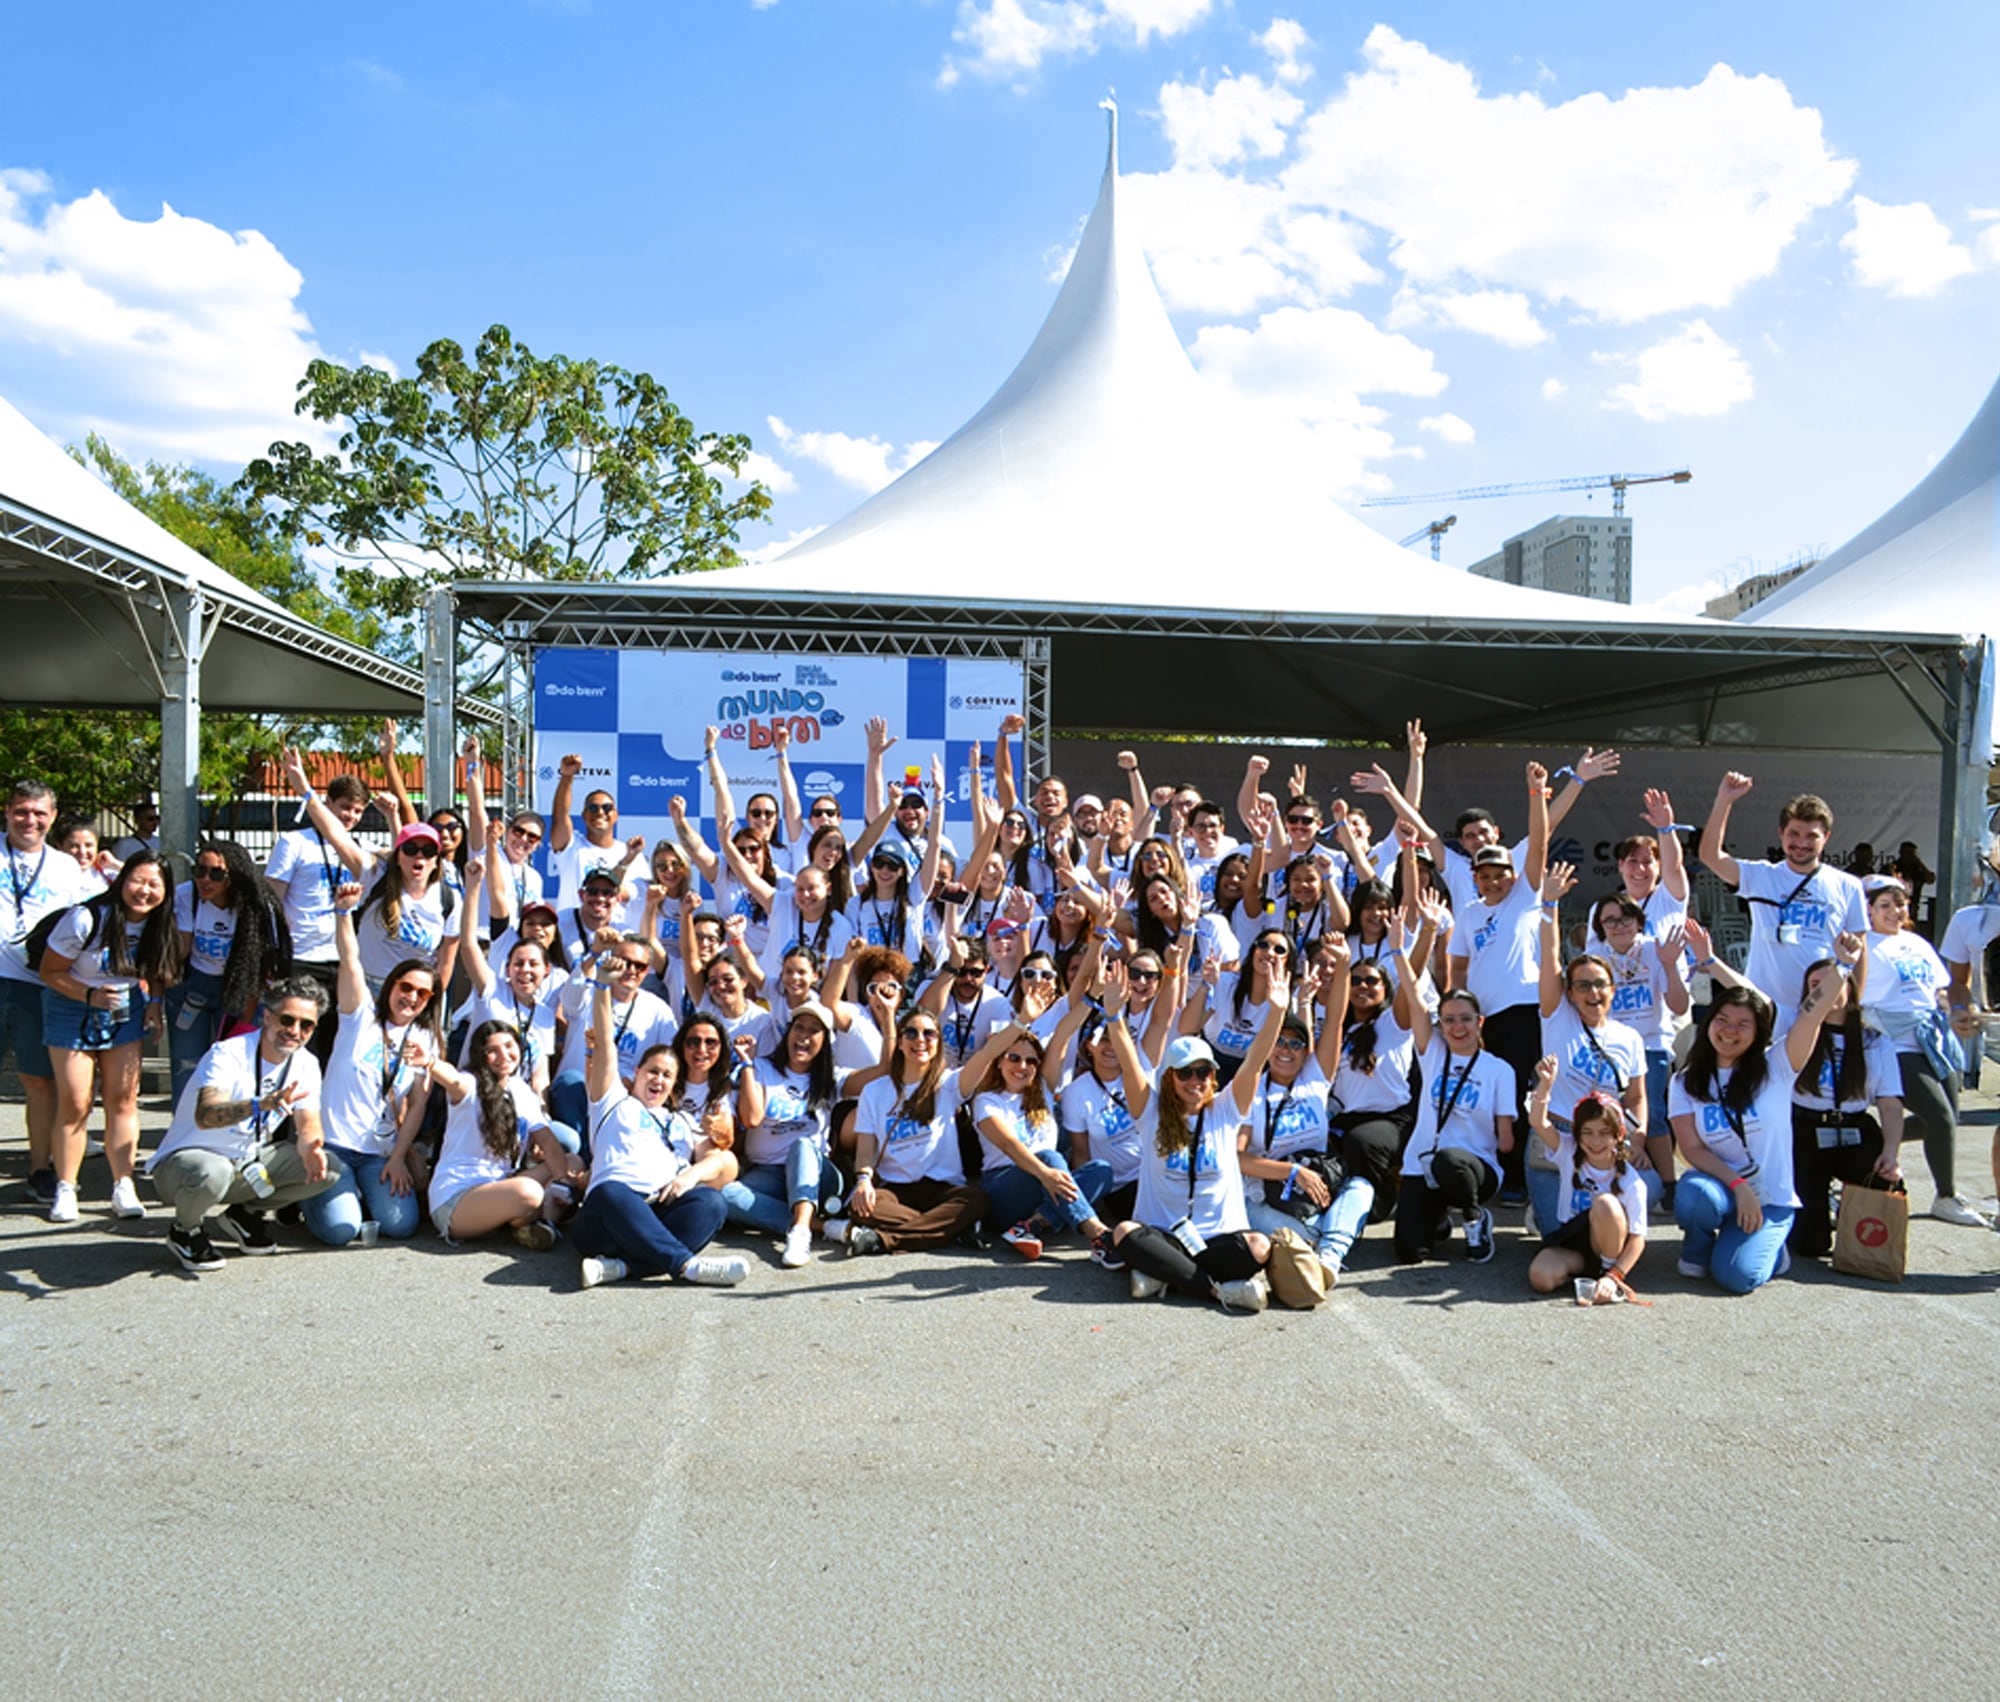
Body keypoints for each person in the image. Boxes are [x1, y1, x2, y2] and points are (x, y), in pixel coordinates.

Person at [1669, 936, 1866, 1294]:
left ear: (1759, 1032)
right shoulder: (1685, 1081)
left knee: (1736, 1277)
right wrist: (1738, 1186)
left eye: (1743, 1024)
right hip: (1726, 1187)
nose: (1730, 1030)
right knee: (1693, 1194)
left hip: (1772, 1197)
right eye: (1723, 1019)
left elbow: (1812, 1013)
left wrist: (1843, 967)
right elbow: (1692, 1149)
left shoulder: (1778, 1065)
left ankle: (1771, 1250)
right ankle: (1698, 1247)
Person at [1102, 956, 1293, 1311]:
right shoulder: (1151, 1110)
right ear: (1169, 1077)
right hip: (1165, 1235)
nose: (1195, 1081)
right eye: (1185, 1073)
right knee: (1124, 1232)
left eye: (1203, 1072)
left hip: (1218, 1239)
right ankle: (1217, 1290)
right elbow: (1129, 1064)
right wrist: (1114, 1017)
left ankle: (1164, 1277)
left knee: (1260, 1247)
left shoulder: (1226, 1108)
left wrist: (1277, 1013)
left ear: (1213, 1076)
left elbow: (1255, 1061)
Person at [146, 977, 343, 1273]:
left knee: (330, 1168)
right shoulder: (228, 1053)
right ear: (267, 1016)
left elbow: (308, 1123)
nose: (295, 1031)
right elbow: (207, 1115)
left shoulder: (306, 1063)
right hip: (186, 1166)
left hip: (246, 1161)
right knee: (213, 1172)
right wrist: (259, 1104)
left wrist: (311, 1147)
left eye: (306, 1025)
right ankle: (186, 1231)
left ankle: (244, 1215)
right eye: (287, 1020)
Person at [569, 973, 749, 1288]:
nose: (659, 1080)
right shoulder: (612, 1102)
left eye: (667, 1075)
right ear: (637, 1072)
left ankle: (623, 1268)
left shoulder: (680, 1122)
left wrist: (690, 1176)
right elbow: (605, 1042)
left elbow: (725, 1163)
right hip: (608, 1217)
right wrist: (601, 987)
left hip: (660, 1209)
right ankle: (686, 1266)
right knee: (611, 1191)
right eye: (653, 1071)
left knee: (713, 1203)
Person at [35, 851, 183, 1223]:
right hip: (72, 1005)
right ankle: (66, 1187)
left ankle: (123, 1184)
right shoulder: (86, 919)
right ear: (120, 880)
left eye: (154, 884)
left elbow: (158, 968)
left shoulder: (159, 924)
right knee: (76, 1101)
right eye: (137, 880)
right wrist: (88, 995)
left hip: (124, 1007)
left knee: (122, 1099)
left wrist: (154, 1004)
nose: (144, 891)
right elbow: (49, 971)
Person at [300, 883, 442, 1247]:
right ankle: (315, 1197)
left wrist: (397, 1158)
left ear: (429, 1002)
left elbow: (416, 1109)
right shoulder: (359, 1015)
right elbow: (350, 960)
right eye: (405, 987)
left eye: (422, 994)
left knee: (401, 1225)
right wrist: (344, 913)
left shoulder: (426, 1042)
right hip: (333, 1145)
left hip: (377, 1153)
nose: (411, 997)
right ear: (391, 986)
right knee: (341, 1230)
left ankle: (356, 1194)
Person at [1443, 762, 1551, 1201]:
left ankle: (1526, 1179)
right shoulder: (1468, 914)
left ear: (1513, 873)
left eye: (1500, 873)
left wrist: (1536, 794)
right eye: (1484, 875)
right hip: (1483, 1018)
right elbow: (1458, 968)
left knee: (1525, 1096)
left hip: (1523, 1011)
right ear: (1475, 878)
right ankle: (1498, 1172)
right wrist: (1454, 1008)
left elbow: (1540, 842)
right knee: (1494, 1096)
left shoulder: (1526, 896)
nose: (1492, 880)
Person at [1860, 874, 1985, 1225]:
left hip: (1933, 1038)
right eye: (1884, 905)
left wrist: (1957, 1011)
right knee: (1940, 1115)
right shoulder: (1863, 946)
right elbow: (1853, 999)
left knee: (1945, 1119)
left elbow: (1941, 990)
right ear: (1869, 910)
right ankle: (1946, 1196)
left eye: (1899, 904)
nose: (1894, 911)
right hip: (1892, 1041)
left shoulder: (1917, 943)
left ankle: (1872, 1142)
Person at [826, 1007, 1002, 1255]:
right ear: (899, 1042)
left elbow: (987, 1055)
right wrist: (864, 1181)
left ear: (938, 1043)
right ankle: (952, 1228)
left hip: (943, 1188)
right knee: (861, 1207)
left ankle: (883, 1240)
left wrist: (1022, 1020)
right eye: (911, 1033)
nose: (920, 1040)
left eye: (929, 1034)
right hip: (896, 1190)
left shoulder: (949, 1084)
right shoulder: (874, 1091)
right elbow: (865, 1149)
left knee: (977, 1201)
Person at [1534, 861, 1651, 1228]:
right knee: (1561, 1235)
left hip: (1604, 1141)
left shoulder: (1629, 1038)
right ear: (1569, 993)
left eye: (1600, 984)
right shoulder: (1558, 1016)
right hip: (1557, 1136)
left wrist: (1640, 1140)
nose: (1592, 992)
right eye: (1582, 985)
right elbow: (1550, 957)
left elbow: (1636, 1098)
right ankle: (1543, 1211)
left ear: (1613, 990)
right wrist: (1550, 905)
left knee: (1634, 1205)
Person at [1699, 775, 1866, 1028]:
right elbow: (1710, 856)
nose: (1801, 843)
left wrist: (1853, 1007)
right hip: (1765, 1008)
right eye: (1794, 834)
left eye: (1811, 836)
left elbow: (1859, 953)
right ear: (1781, 833)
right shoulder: (1762, 876)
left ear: (1827, 837)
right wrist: (1725, 801)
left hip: (1822, 1009)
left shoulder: (1847, 885)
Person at [4, 780, 102, 1205]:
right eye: (22, 811)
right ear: (6, 811)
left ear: (53, 817)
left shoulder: (67, 868)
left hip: (36, 984)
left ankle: (39, 1169)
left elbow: (95, 920)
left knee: (39, 1083)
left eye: (39, 813)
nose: (30, 820)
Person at [423, 1018, 579, 1249]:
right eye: (492, 1051)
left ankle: (543, 1224)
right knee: (530, 1192)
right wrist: (430, 1062)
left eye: (509, 1046)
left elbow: (546, 1139)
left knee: (571, 1162)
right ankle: (528, 1217)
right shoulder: (471, 1084)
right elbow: (454, 1080)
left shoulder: (521, 1090)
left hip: (500, 1187)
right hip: (457, 1199)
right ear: (480, 1056)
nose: (504, 1055)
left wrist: (562, 1180)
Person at [1788, 952, 1904, 1260]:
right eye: (1814, 985)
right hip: (1806, 1128)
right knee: (1810, 1245)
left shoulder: (1874, 1040)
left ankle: (1846, 1205)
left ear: (1848, 987)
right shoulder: (1794, 1029)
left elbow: (1890, 1104)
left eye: (1829, 983)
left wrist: (1891, 1152)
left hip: (1854, 1127)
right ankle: (1817, 1209)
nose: (1821, 990)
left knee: (1885, 1177)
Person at [969, 1022, 1117, 1261]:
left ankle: (1034, 1225)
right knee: (1049, 1156)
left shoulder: (1043, 1091)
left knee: (1102, 1171)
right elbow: (1009, 1145)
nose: (1022, 1066)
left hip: (1046, 1185)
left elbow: (1062, 1034)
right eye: (1014, 1058)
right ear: (999, 1061)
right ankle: (1098, 1234)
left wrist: (1094, 994)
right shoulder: (986, 1101)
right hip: (1003, 1189)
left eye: (1031, 1061)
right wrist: (1045, 1173)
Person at [1393, 989, 1519, 1265]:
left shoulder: (1499, 1070)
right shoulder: (1433, 1055)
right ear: (1440, 1025)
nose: (1458, 1027)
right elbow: (1414, 1001)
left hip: (1474, 1169)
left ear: (1480, 1022)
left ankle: (1475, 1218)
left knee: (1450, 1160)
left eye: (1466, 1018)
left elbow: (1506, 1142)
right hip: (1423, 1165)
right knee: (1410, 1251)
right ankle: (1437, 1216)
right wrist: (1399, 951)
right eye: (1449, 1020)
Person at [168, 839, 293, 1106]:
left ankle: (227, 1128)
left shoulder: (256, 906)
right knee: (186, 1064)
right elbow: (180, 951)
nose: (205, 879)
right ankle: (183, 1131)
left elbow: (258, 971)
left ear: (234, 876)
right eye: (199, 870)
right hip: (192, 986)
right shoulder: (186, 895)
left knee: (235, 1062)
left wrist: (245, 1021)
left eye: (216, 873)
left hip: (238, 990)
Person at [265, 769, 372, 1066]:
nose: (350, 815)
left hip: (340, 959)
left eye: (358, 810)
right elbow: (272, 899)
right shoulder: (294, 842)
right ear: (327, 804)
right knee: (296, 1043)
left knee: (333, 1044)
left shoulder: (358, 851)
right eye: (345, 807)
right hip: (301, 956)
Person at [724, 1001, 841, 1267]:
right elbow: (752, 1118)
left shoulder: (831, 1078)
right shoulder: (762, 1068)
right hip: (769, 1173)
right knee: (725, 1195)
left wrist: (889, 1017)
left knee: (801, 1144)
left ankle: (800, 1232)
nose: (804, 1036)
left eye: (814, 1031)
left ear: (825, 1041)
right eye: (799, 1027)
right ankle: (824, 1227)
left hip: (816, 1173)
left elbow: (882, 1072)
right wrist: (747, 1064)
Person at [1522, 1062, 1649, 1302]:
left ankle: (1607, 1279)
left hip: (1609, 1249)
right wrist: (1546, 1086)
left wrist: (1614, 1274)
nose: (1595, 1141)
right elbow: (1538, 1123)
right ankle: (1583, 1278)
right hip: (1574, 1243)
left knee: (1606, 1203)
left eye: (1604, 1134)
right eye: (1587, 1133)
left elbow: (1637, 1239)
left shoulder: (1632, 1181)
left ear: (1619, 1135)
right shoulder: (1569, 1152)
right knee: (1540, 1278)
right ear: (1577, 1134)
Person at [546, 754, 633, 901]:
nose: (600, 812)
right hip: (573, 924)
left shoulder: (630, 853)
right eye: (593, 808)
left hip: (614, 925)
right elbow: (560, 816)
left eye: (607, 807)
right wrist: (567, 777)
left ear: (616, 814)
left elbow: (635, 896)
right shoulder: (571, 847)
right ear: (583, 815)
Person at [108, 797, 160, 864]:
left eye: (157, 818)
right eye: (150, 819)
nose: (155, 822)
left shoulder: (161, 843)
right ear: (138, 820)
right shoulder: (124, 845)